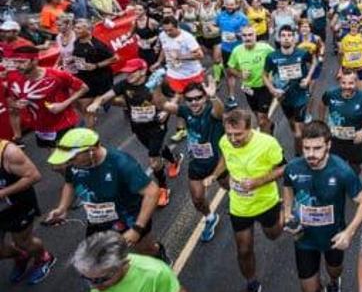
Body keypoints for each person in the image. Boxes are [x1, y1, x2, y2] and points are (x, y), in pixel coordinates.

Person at [45, 129, 165, 260]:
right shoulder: (74, 164)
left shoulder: (121, 164)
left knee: (146, 250)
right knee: (96, 255)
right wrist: (63, 207)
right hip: (98, 220)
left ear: (91, 150)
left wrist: (137, 229)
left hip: (130, 218)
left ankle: (160, 256)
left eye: (72, 157)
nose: (68, 162)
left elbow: (152, 192)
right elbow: (70, 183)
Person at [281, 121, 362, 292]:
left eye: (317, 148)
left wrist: (349, 232)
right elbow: (287, 187)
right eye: (306, 148)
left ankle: (333, 281)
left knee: (334, 270)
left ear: (328, 145)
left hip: (333, 238)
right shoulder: (293, 168)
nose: (311, 154)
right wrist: (288, 213)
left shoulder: (342, 171)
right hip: (304, 238)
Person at [204, 109, 285, 292]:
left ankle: (283, 212)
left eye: (238, 134)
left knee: (273, 235)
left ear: (250, 129)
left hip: (266, 202)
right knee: (244, 249)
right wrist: (214, 175)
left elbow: (284, 168)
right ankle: (252, 282)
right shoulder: (224, 141)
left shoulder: (267, 143)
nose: (233, 139)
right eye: (229, 134)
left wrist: (259, 181)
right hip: (239, 206)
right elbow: (225, 159)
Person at [87, 58, 182, 207]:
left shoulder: (156, 82)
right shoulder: (124, 84)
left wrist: (166, 111)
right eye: (126, 72)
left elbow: (177, 94)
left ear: (143, 71)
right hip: (138, 127)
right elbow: (106, 96)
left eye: (132, 72)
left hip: (157, 125)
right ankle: (174, 160)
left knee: (153, 159)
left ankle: (163, 188)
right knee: (155, 150)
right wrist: (96, 103)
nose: (128, 75)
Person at [160, 80, 226, 243]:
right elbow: (163, 105)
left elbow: (220, 111)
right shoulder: (184, 111)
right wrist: (154, 86)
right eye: (190, 99)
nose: (194, 102)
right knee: (197, 199)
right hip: (197, 164)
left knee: (232, 189)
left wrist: (214, 97)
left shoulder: (211, 111)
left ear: (204, 98)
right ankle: (210, 218)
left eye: (198, 98)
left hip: (220, 162)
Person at [7, 46, 89, 147]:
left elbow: (84, 88)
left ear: (34, 61)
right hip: (41, 128)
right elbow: (13, 105)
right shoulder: (13, 79)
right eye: (15, 62)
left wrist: (63, 104)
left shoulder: (56, 75)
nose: (18, 66)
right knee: (55, 156)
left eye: (22, 62)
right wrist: (17, 104)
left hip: (62, 123)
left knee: (65, 157)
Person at [0, 138, 55, 284]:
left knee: (23, 242)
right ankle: (22, 256)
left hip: (17, 207)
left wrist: (3, 193)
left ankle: (43, 257)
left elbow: (33, 176)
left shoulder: (8, 152)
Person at [264, 24, 317, 155]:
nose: (286, 38)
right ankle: (301, 134)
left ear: (294, 38)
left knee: (299, 134)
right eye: (283, 36)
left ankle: (299, 156)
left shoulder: (302, 53)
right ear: (279, 38)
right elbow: (264, 75)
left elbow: (314, 61)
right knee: (292, 125)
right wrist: (272, 89)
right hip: (284, 98)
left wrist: (308, 78)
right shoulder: (272, 57)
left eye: (289, 35)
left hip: (301, 97)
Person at [72, 231, 185, 292]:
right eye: (86, 278)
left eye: (101, 279)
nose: (94, 287)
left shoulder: (155, 273)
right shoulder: (95, 274)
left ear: (123, 263)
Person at [318, 68, 362, 174]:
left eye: (351, 83)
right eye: (343, 83)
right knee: (335, 168)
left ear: (356, 82)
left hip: (354, 142)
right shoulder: (331, 94)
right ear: (339, 82)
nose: (347, 86)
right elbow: (322, 104)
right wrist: (322, 123)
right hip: (335, 140)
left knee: (354, 170)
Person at [72, 19, 119, 128]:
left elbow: (115, 58)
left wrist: (96, 65)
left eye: (79, 28)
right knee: (83, 106)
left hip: (100, 79)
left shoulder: (97, 45)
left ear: (88, 30)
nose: (76, 30)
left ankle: (128, 103)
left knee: (111, 101)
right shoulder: (77, 42)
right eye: (75, 27)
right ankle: (91, 132)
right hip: (84, 79)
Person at [228, 26, 275, 133]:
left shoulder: (265, 48)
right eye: (245, 35)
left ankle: (269, 142)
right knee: (258, 117)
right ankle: (270, 125)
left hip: (264, 87)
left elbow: (276, 59)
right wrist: (240, 74)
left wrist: (272, 77)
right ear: (241, 37)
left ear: (255, 36)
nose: (248, 38)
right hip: (248, 88)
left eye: (250, 35)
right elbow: (230, 68)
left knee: (262, 119)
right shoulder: (237, 51)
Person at [216, 0, 251, 108]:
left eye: (232, 5)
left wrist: (236, 35)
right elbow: (215, 26)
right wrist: (211, 29)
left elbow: (248, 33)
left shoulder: (242, 18)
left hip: (240, 50)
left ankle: (249, 88)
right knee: (230, 74)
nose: (229, 7)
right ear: (224, 5)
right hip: (226, 49)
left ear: (236, 5)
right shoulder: (220, 15)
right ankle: (232, 97)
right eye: (228, 4)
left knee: (244, 72)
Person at [157, 17, 205, 94]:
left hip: (191, 74)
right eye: (165, 30)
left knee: (194, 97)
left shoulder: (187, 37)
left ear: (177, 27)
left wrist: (181, 57)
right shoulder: (162, 35)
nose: (167, 33)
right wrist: (158, 62)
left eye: (170, 30)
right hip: (174, 73)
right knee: (177, 98)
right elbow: (164, 48)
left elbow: (200, 55)